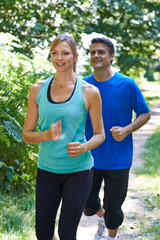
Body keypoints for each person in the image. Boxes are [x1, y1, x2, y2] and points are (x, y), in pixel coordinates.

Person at [22, 34, 105, 240]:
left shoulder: (89, 91)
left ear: (75, 57)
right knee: (43, 233)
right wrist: (46, 135)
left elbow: (100, 134)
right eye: (54, 53)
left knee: (67, 233)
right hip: (47, 169)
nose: (59, 57)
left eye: (65, 53)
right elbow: (26, 135)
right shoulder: (37, 89)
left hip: (78, 171)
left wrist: (84, 147)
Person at [83, 37, 151, 240]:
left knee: (114, 206)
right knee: (86, 203)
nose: (96, 55)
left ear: (112, 56)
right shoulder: (83, 84)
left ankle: (110, 237)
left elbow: (144, 113)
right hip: (89, 156)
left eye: (101, 52)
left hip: (118, 158)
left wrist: (127, 129)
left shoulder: (127, 84)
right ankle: (101, 220)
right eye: (93, 52)